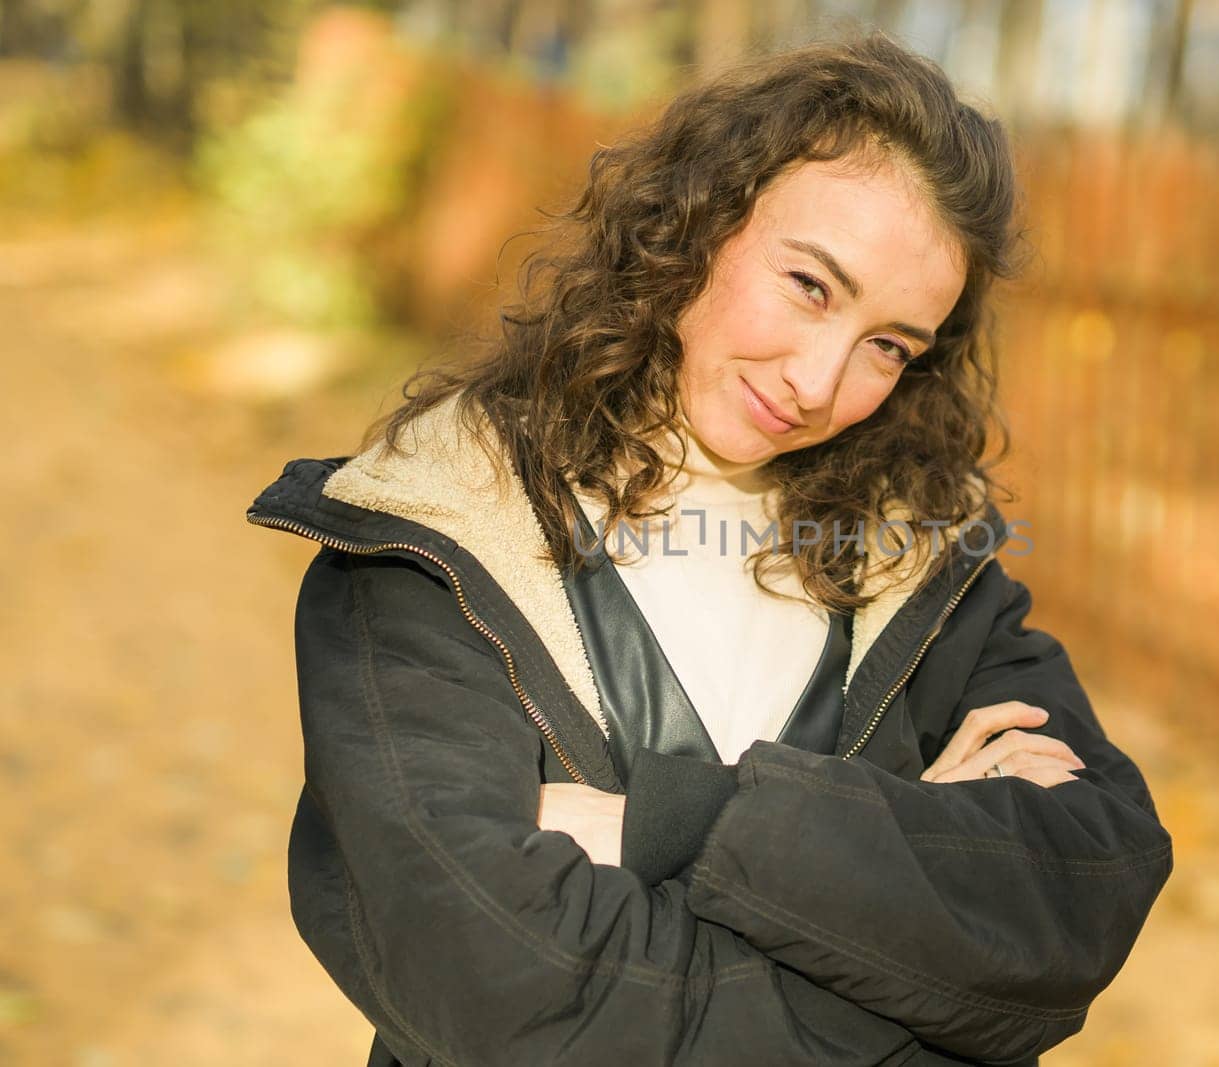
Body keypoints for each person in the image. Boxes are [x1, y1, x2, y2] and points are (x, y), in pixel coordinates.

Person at [247, 32, 1172, 1067]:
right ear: (699, 222)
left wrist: (665, 825)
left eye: (889, 345)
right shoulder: (441, 530)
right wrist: (915, 949)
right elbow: (498, 988)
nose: (820, 381)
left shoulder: (916, 561)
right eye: (811, 285)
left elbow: (1084, 884)